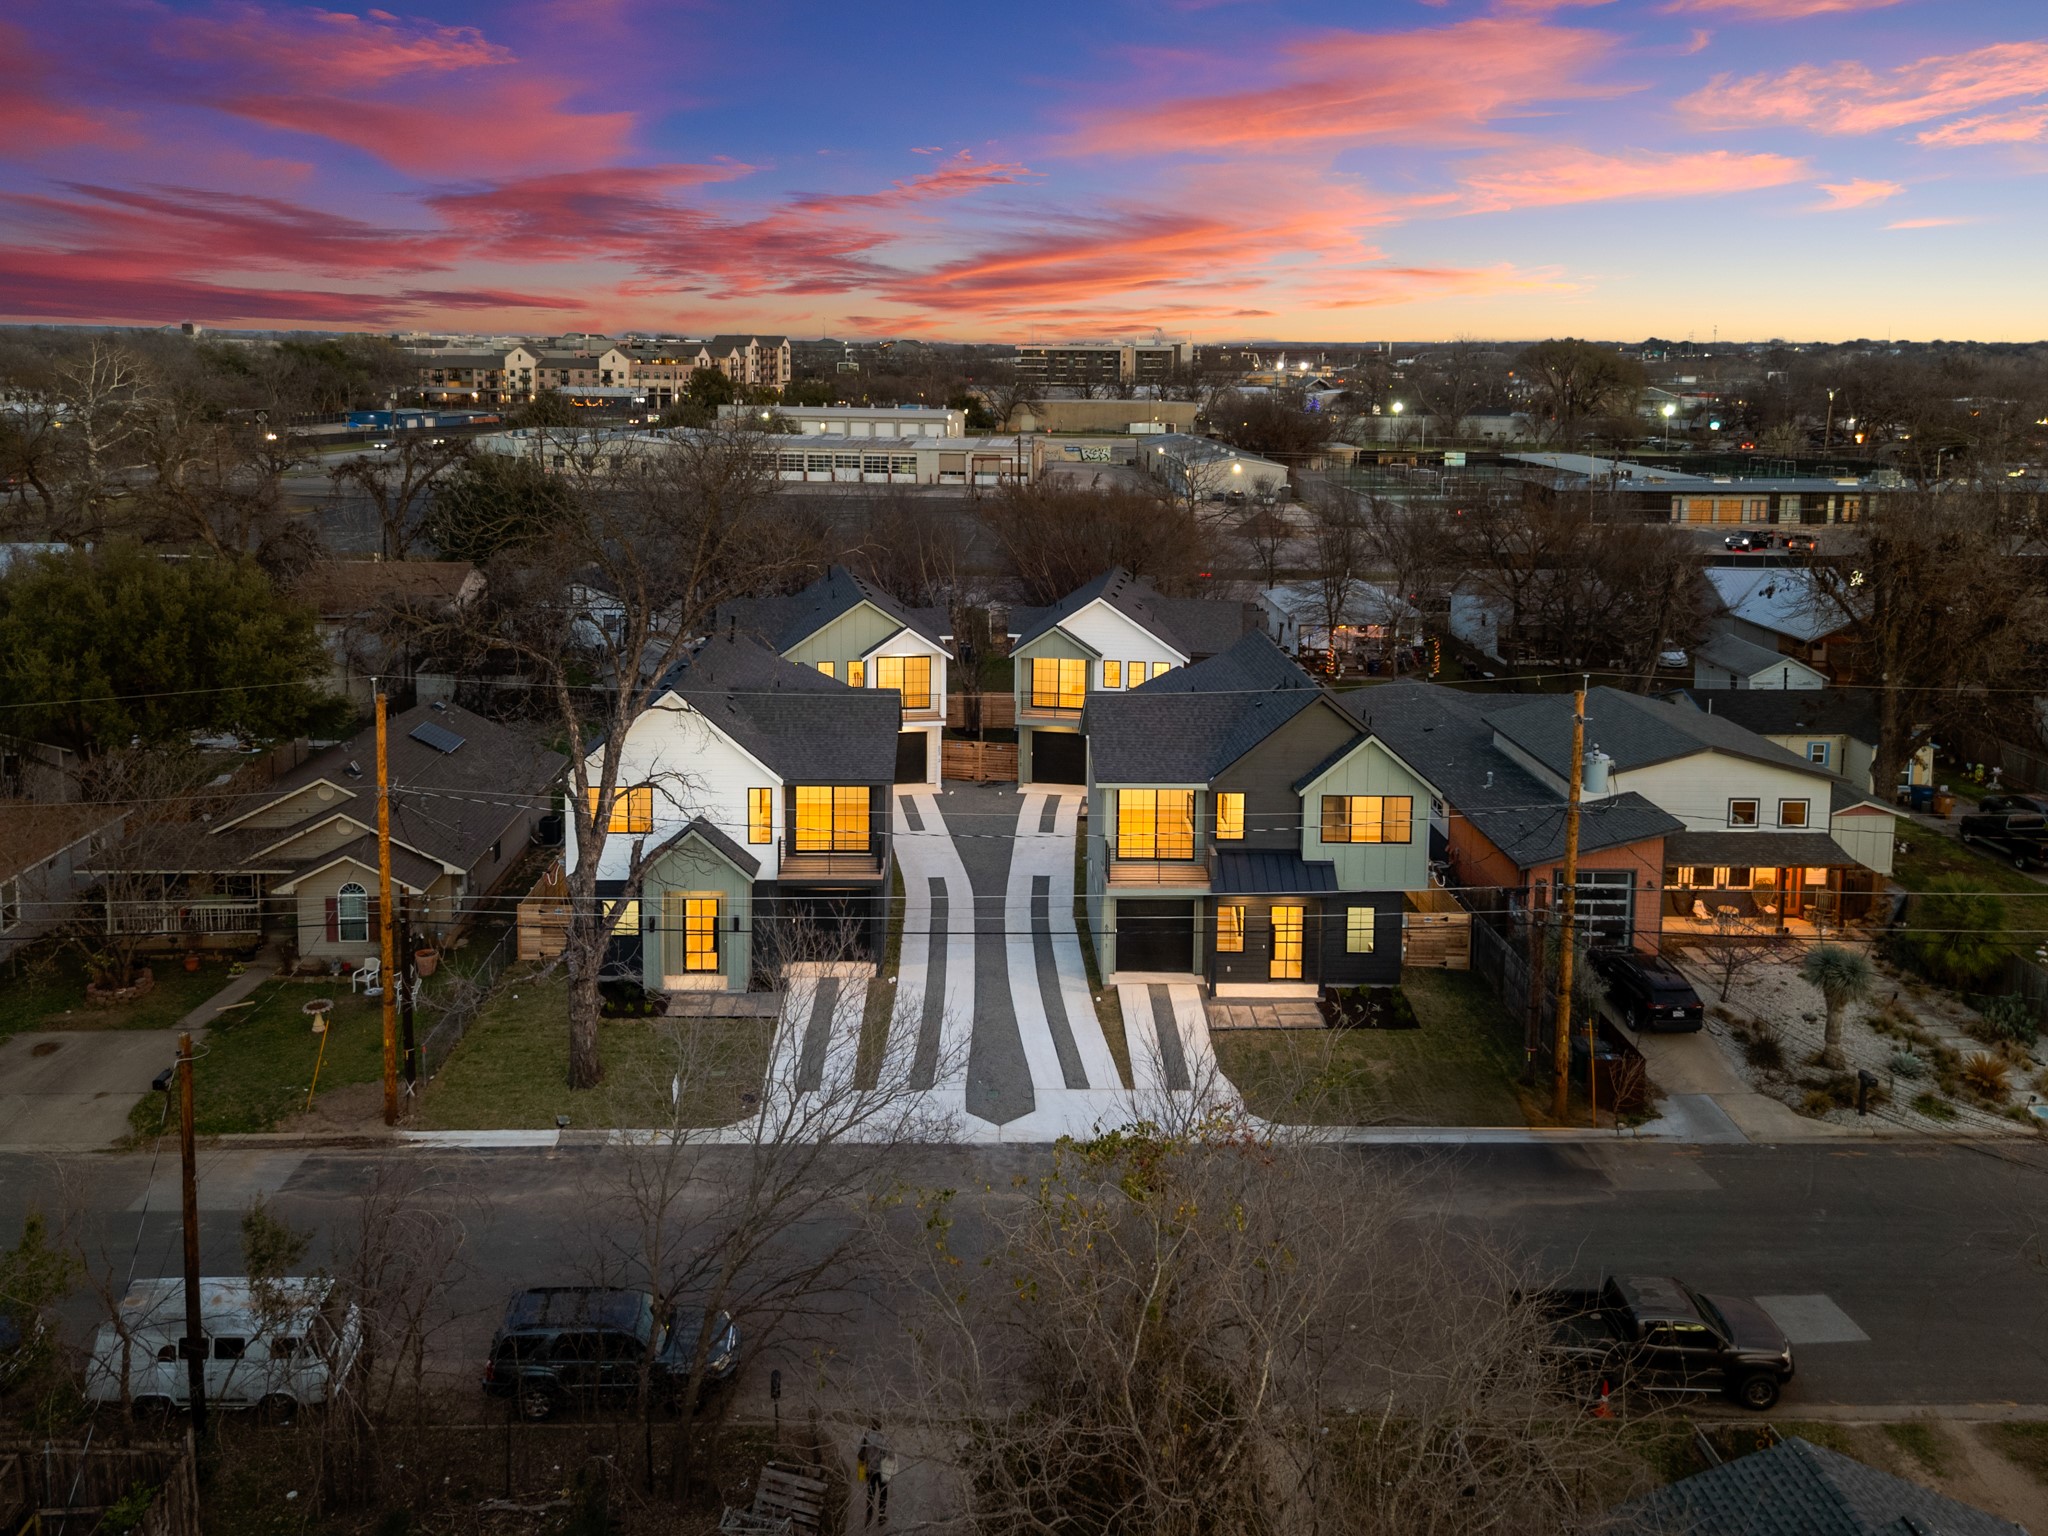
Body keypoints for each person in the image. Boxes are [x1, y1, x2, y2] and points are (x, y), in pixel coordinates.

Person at [856, 1424, 894, 1527]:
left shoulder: (865, 1435)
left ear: (871, 1425)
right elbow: (889, 1454)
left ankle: (869, 1516)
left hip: (869, 1470)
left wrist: (861, 1472)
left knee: (870, 1493)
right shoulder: (883, 1438)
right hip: (881, 1471)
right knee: (883, 1493)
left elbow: (859, 1451)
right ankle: (881, 1516)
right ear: (880, 1426)